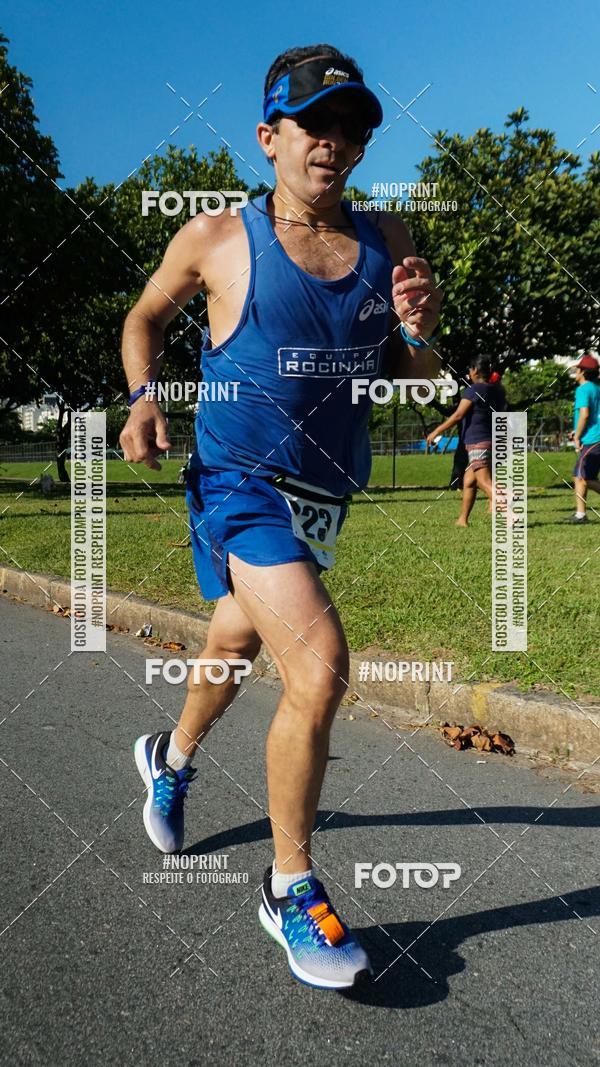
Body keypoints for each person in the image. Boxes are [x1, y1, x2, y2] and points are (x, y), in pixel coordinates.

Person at [119, 43, 442, 990]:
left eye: (352, 128)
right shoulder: (217, 239)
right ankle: (289, 883)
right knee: (321, 663)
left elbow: (414, 386)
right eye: (316, 124)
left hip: (322, 492)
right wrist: (144, 396)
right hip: (237, 483)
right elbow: (144, 317)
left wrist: (419, 332)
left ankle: (168, 756)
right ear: (269, 137)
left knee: (238, 635)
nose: (335, 143)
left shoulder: (390, 237)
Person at [426, 356, 506, 526]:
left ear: (475, 370)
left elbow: (458, 415)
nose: (469, 373)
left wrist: (436, 431)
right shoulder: (497, 391)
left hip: (477, 441)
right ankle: (462, 520)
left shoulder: (473, 389)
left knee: (484, 482)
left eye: (470, 369)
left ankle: (509, 512)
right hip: (493, 440)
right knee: (469, 481)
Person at [569, 353, 600, 524]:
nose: (575, 372)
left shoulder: (582, 389)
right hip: (596, 437)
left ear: (582, 371)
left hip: (592, 439)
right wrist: (576, 431)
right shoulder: (597, 388)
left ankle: (581, 514)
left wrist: (578, 436)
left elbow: (585, 414)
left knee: (585, 477)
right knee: (578, 475)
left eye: (577, 369)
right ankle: (581, 514)